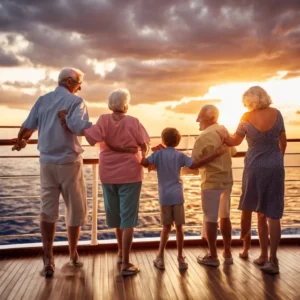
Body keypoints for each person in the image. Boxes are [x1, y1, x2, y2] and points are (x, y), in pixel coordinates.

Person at [61, 88, 150, 276]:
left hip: (108, 174)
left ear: (111, 104)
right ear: (126, 104)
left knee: (116, 215)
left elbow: (91, 137)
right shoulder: (134, 122)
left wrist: (67, 120)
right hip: (131, 174)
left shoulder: (103, 120)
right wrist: (142, 155)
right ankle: (126, 263)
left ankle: (120, 252)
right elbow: (145, 144)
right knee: (128, 218)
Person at [13, 67, 91, 277]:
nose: (79, 88)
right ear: (69, 82)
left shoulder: (42, 100)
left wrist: (21, 141)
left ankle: (48, 259)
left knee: (48, 210)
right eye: (78, 84)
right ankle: (73, 254)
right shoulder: (76, 102)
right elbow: (80, 128)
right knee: (74, 209)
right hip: (69, 162)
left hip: (46, 162)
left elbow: (27, 128)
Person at [218, 86, 286, 274]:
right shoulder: (277, 113)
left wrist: (224, 135)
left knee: (260, 212)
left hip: (254, 166)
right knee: (273, 213)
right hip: (275, 165)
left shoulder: (246, 117)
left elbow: (234, 142)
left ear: (250, 100)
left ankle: (263, 255)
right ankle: (272, 260)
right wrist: (277, 159)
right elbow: (283, 142)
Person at [140, 127, 228, 270]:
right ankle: (181, 258)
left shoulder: (158, 155)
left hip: (165, 196)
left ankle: (160, 257)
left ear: (163, 140)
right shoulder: (180, 156)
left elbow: (144, 163)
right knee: (180, 228)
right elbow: (195, 164)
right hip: (177, 196)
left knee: (166, 228)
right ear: (178, 142)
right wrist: (215, 154)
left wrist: (144, 151)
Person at [192, 105, 236, 267]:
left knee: (210, 219)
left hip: (210, 182)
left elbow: (194, 165)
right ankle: (228, 252)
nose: (197, 119)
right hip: (227, 181)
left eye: (200, 116)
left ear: (211, 118)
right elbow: (233, 152)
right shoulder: (224, 132)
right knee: (225, 216)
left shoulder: (202, 138)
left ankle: (212, 255)